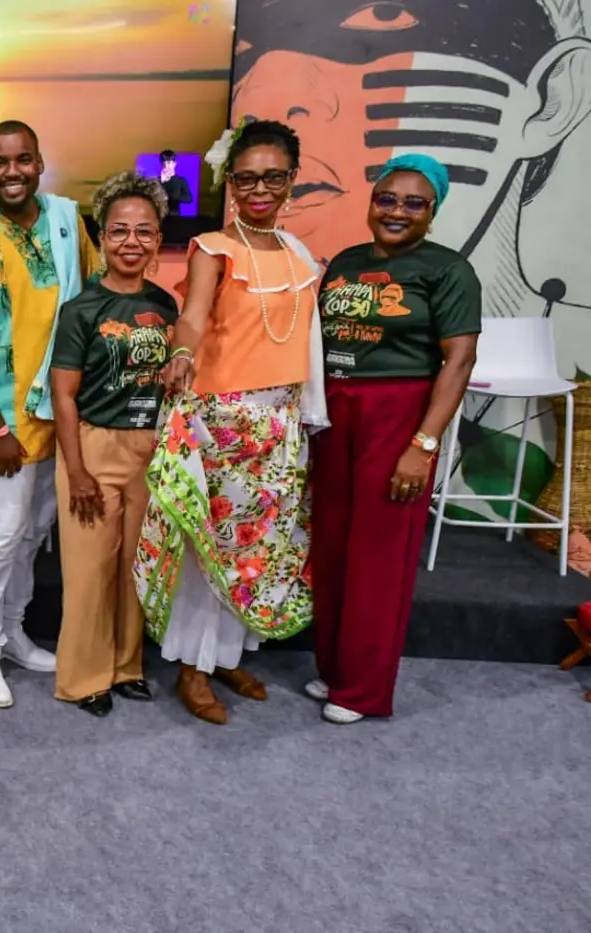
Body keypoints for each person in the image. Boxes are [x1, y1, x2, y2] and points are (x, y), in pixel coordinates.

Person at [136, 119, 327, 726]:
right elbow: (192, 316)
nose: (259, 189)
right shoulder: (213, 248)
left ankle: (225, 655)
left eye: (272, 177)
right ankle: (191, 668)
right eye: (246, 179)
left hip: (280, 426)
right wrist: (181, 353)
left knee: (257, 551)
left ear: (292, 179)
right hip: (223, 423)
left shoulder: (299, 256)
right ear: (229, 183)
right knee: (210, 550)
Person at [307, 155, 481, 724]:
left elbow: (459, 360)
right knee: (332, 544)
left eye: (414, 203)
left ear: (432, 212)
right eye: (387, 198)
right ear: (371, 202)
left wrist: (423, 444)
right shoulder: (346, 263)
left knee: (379, 555)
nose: (397, 211)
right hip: (336, 410)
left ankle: (362, 690)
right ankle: (335, 669)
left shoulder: (448, 270)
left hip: (398, 413)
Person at [0, 120, 98, 709]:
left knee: (32, 535)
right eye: (0, 162)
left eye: (23, 159)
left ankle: (12, 633)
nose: (13, 172)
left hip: (58, 415)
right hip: (2, 422)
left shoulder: (65, 221)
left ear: (39, 163)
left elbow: (93, 297)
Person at [50, 171, 177, 717]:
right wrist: (77, 470)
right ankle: (84, 678)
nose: (131, 242)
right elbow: (63, 395)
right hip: (93, 447)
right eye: (119, 231)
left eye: (144, 231)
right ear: (101, 237)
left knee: (135, 566)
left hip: (149, 449)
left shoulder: (167, 306)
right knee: (88, 573)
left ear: (158, 239)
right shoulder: (82, 309)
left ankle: (127, 667)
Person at [159, 150, 193, 216]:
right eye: (163, 163)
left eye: (168, 163)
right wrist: (162, 181)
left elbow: (189, 198)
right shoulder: (158, 180)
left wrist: (175, 197)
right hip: (161, 214)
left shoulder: (180, 180)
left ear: (174, 164)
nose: (166, 166)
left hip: (175, 214)